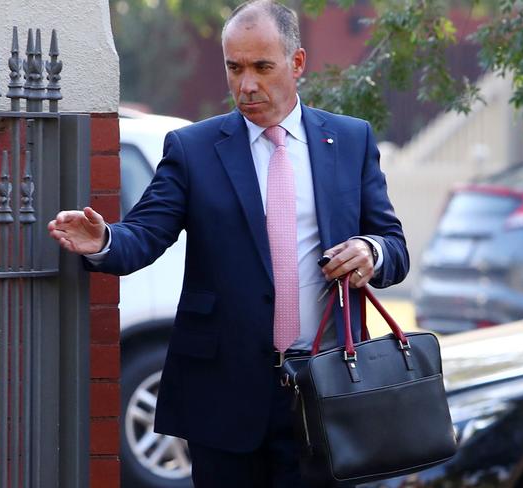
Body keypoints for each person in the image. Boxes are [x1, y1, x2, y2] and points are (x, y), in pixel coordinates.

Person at [48, 1, 409, 486]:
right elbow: (146, 234)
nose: (247, 84)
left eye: (262, 67)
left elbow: (394, 246)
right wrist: (103, 240)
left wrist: (371, 251)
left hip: (329, 393)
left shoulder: (349, 141)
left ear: (297, 63)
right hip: (224, 396)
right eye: (234, 68)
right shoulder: (193, 149)